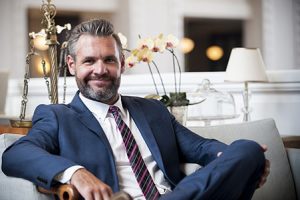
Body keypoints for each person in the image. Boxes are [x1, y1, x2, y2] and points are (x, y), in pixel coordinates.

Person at [2, 19, 270, 200]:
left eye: (109, 60)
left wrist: (236, 160)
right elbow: (15, 155)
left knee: (248, 148)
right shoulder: (57, 116)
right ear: (72, 65)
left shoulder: (152, 110)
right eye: (89, 61)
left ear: (122, 63)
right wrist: (76, 173)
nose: (100, 69)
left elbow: (202, 148)